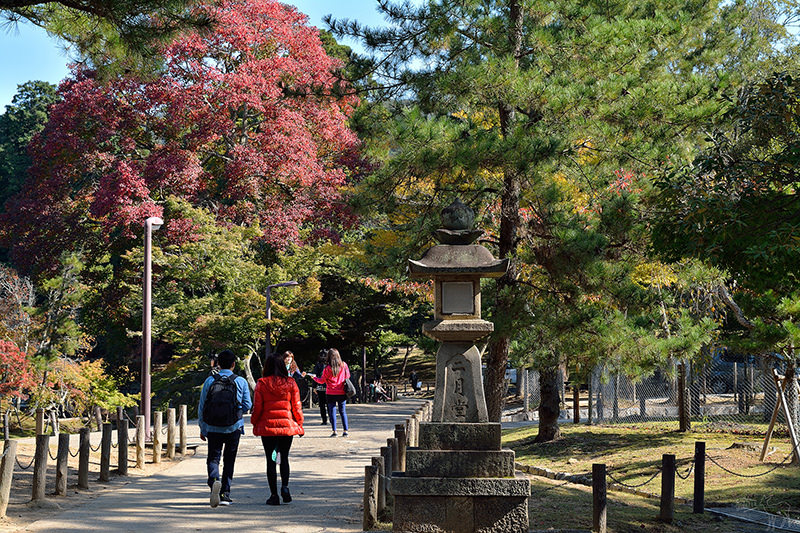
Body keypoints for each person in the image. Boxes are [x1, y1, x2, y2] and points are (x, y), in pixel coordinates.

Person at [198, 349, 252, 507]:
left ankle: (214, 480)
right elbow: (248, 404)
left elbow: (202, 405)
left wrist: (202, 427)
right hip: (233, 427)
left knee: (213, 458)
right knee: (229, 460)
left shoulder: (209, 381)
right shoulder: (240, 381)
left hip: (213, 427)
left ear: (218, 364)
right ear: (234, 364)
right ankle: (225, 493)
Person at [251, 351, 305, 506]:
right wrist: (299, 424)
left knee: (271, 459)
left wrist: (255, 423)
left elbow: (258, 408)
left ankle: (274, 495)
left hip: (268, 429)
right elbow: (296, 406)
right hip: (286, 428)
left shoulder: (262, 383)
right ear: (282, 366)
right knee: (284, 457)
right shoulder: (290, 383)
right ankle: (285, 487)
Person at [312, 348, 350, 437]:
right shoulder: (344, 365)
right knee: (343, 411)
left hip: (330, 392)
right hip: (341, 391)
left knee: (332, 411)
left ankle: (334, 431)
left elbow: (322, 381)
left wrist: (314, 378)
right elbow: (347, 376)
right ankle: (345, 431)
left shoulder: (327, 368)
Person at [312, 349, 328, 425]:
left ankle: (324, 420)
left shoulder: (318, 365)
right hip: (329, 387)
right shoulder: (330, 365)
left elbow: (314, 376)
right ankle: (331, 418)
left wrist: (314, 387)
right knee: (329, 404)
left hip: (320, 386)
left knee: (322, 405)